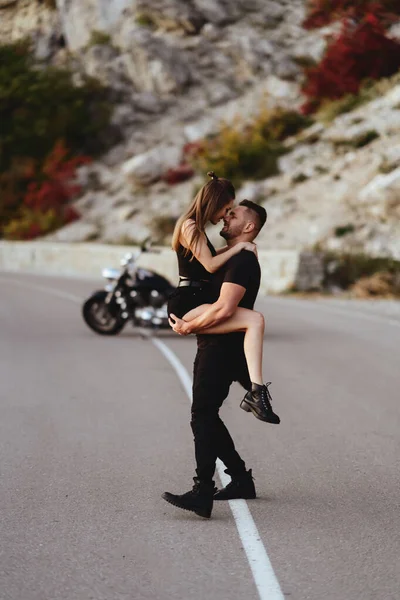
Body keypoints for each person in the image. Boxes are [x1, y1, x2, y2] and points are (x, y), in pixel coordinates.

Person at [162, 201, 280, 519]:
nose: (226, 217)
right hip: (220, 345)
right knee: (208, 415)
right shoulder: (234, 258)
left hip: (219, 349)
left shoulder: (241, 261)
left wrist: (187, 325)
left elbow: (226, 309)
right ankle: (239, 478)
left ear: (249, 227)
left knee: (202, 415)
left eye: (235, 215)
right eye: (226, 212)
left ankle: (203, 492)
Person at [168, 171, 277, 420]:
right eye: (226, 209)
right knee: (254, 320)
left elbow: (208, 256)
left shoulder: (195, 228)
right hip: (186, 302)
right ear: (214, 203)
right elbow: (209, 265)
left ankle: (255, 390)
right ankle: (256, 392)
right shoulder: (189, 225)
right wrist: (239, 247)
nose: (224, 216)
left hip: (194, 298)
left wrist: (237, 248)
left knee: (251, 325)